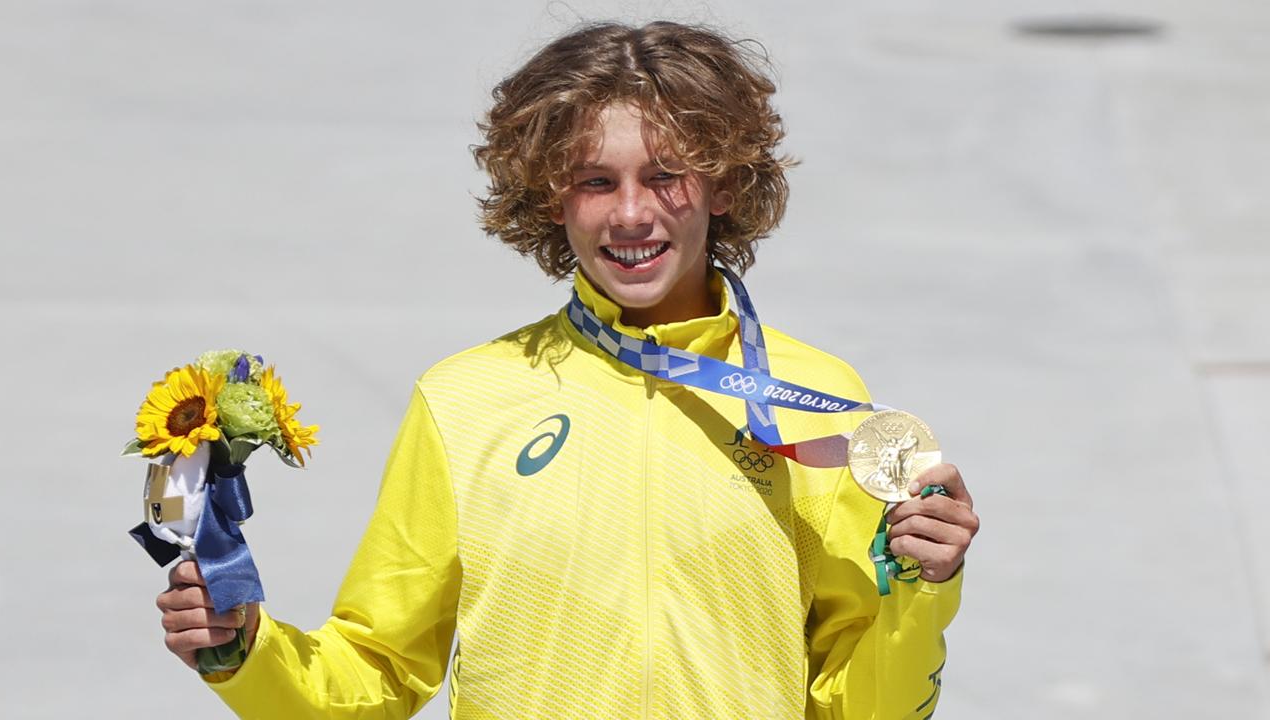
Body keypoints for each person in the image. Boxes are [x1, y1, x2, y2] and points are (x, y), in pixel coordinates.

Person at [155, 21, 979, 719]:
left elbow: (865, 706)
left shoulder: (819, 407)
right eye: (596, 181)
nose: (631, 213)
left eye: (666, 175)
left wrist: (921, 586)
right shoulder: (466, 399)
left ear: (724, 181)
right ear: (551, 195)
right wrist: (246, 651)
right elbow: (376, 667)